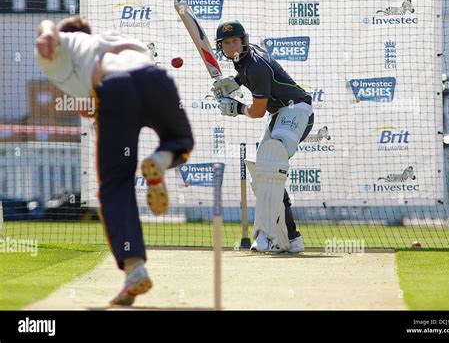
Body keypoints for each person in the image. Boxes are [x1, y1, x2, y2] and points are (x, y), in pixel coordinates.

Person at [35, 16, 194, 305]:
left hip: (116, 89)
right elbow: (95, 103)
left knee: (115, 185)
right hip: (155, 79)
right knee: (181, 142)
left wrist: (47, 32)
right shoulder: (108, 38)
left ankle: (134, 269)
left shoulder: (62, 50)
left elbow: (48, 31)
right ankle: (160, 159)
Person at [213, 20, 313, 253]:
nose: (231, 47)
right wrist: (234, 82)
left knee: (270, 161)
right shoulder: (244, 59)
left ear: (244, 41)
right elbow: (246, 75)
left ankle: (266, 236)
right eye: (226, 43)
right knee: (265, 172)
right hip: (280, 113)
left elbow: (257, 112)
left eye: (235, 41)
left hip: (297, 109)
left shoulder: (255, 66)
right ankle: (291, 238)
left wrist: (236, 108)